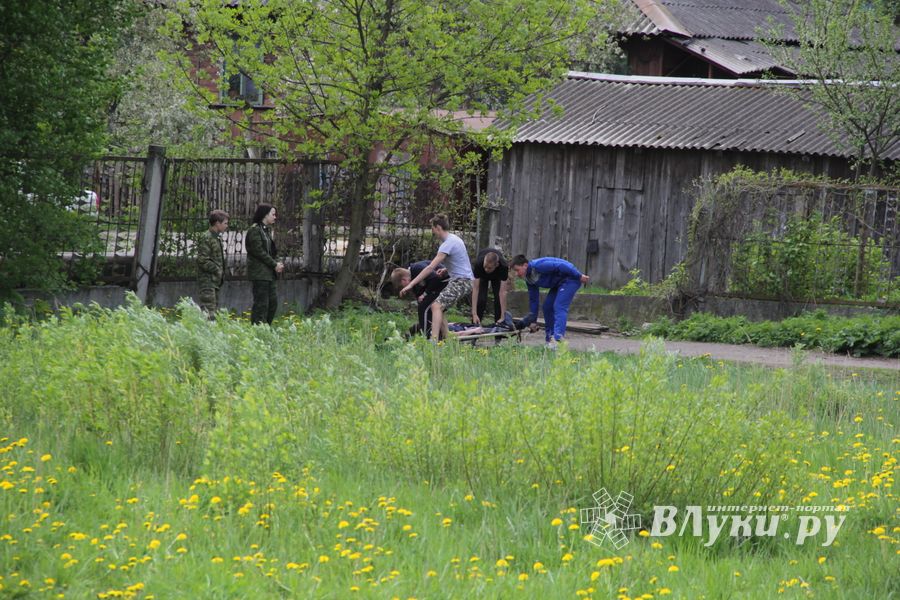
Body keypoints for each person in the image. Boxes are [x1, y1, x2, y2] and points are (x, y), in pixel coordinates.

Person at [400, 214, 474, 341]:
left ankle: (433, 342)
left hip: (462, 281)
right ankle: (447, 338)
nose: (433, 232)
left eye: (433, 228)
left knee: (436, 306)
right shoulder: (455, 239)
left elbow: (429, 268)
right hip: (463, 279)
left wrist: (411, 284)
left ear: (438, 227)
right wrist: (446, 270)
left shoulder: (447, 244)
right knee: (440, 308)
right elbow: (461, 261)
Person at [510, 255, 590, 348]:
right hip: (558, 283)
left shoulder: (538, 266)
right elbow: (533, 300)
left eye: (517, 270)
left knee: (559, 306)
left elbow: (561, 266)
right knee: (547, 307)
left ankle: (558, 340)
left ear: (525, 265)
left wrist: (579, 275)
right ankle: (549, 340)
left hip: (571, 278)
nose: (516, 274)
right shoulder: (529, 279)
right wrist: (533, 321)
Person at [246, 204, 284, 325]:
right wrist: (274, 264)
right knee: (261, 304)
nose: (275, 217)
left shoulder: (266, 230)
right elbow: (259, 252)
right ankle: (257, 329)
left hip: (269, 274)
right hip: (260, 273)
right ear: (264, 215)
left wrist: (278, 263)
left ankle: (266, 328)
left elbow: (272, 250)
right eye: (273, 214)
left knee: (273, 303)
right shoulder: (255, 230)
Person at [391, 260, 449, 335]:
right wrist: (420, 297)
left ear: (403, 280)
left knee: (424, 308)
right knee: (429, 308)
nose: (405, 287)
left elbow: (435, 278)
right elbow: (419, 292)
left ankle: (426, 335)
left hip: (444, 281)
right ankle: (444, 336)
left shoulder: (417, 268)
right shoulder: (412, 275)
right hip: (437, 285)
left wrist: (425, 294)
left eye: (402, 286)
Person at [197, 209, 229, 318]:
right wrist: (217, 270)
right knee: (208, 313)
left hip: (214, 281)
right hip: (208, 281)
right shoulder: (207, 237)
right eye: (225, 223)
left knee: (213, 312)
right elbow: (202, 260)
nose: (226, 226)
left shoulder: (215, 238)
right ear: (217, 223)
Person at [471, 248, 509, 325]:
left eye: (489, 268)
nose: (486, 269)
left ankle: (499, 327)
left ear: (497, 265)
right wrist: (474, 313)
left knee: (498, 300)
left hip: (496, 276)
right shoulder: (478, 264)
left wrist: (503, 316)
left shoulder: (503, 267)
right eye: (485, 266)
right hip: (482, 277)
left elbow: (503, 292)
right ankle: (475, 325)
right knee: (481, 300)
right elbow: (475, 289)